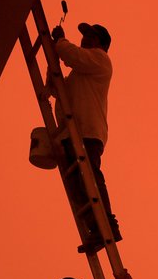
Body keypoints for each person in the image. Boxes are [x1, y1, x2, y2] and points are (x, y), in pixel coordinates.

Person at [50, 20, 121, 251]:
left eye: (91, 36)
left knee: (89, 176)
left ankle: (108, 226)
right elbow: (58, 90)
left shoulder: (100, 60)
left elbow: (73, 55)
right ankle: (96, 229)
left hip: (88, 131)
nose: (85, 39)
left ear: (101, 44)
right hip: (75, 132)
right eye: (85, 35)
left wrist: (59, 42)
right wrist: (53, 62)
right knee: (77, 184)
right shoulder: (80, 73)